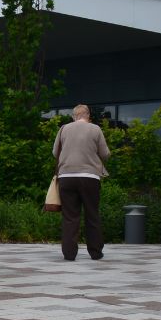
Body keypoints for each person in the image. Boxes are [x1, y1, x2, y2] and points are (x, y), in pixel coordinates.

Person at [52, 104, 111, 261]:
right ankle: (96, 253)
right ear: (88, 115)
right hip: (89, 178)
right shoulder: (95, 129)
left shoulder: (63, 129)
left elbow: (54, 152)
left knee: (70, 217)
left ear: (74, 116)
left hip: (67, 178)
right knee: (92, 215)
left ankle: (69, 254)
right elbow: (105, 154)